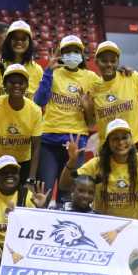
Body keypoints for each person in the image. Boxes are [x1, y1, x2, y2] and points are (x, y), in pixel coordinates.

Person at [58, 119, 138, 266]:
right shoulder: (97, 164)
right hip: (102, 233)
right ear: (108, 143)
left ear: (131, 139)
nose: (120, 143)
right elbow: (65, 185)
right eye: (115, 139)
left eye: (124, 137)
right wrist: (72, 162)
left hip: (133, 231)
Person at [34, 35, 100, 201]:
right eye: (67, 51)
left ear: (82, 54)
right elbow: (39, 101)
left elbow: (93, 120)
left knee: (69, 195)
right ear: (61, 54)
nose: (72, 54)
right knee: (44, 193)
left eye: (76, 51)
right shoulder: (53, 73)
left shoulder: (91, 77)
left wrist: (87, 106)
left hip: (76, 142)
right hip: (49, 140)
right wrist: (48, 71)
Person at [0, 63, 43, 192]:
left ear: (26, 85)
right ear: (4, 85)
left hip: (22, 163)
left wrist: (31, 178)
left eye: (21, 82)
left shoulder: (35, 110)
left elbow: (36, 147)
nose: (16, 85)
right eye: (12, 82)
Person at [88, 41, 138, 150]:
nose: (109, 64)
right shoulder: (93, 88)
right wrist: (86, 106)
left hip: (133, 144)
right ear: (96, 62)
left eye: (113, 61)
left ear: (118, 62)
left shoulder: (131, 77)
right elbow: (91, 123)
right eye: (104, 61)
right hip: (107, 148)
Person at [0, 20, 43, 99]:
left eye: (23, 39)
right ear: (8, 41)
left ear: (29, 42)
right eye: (15, 38)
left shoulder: (38, 70)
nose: (19, 42)